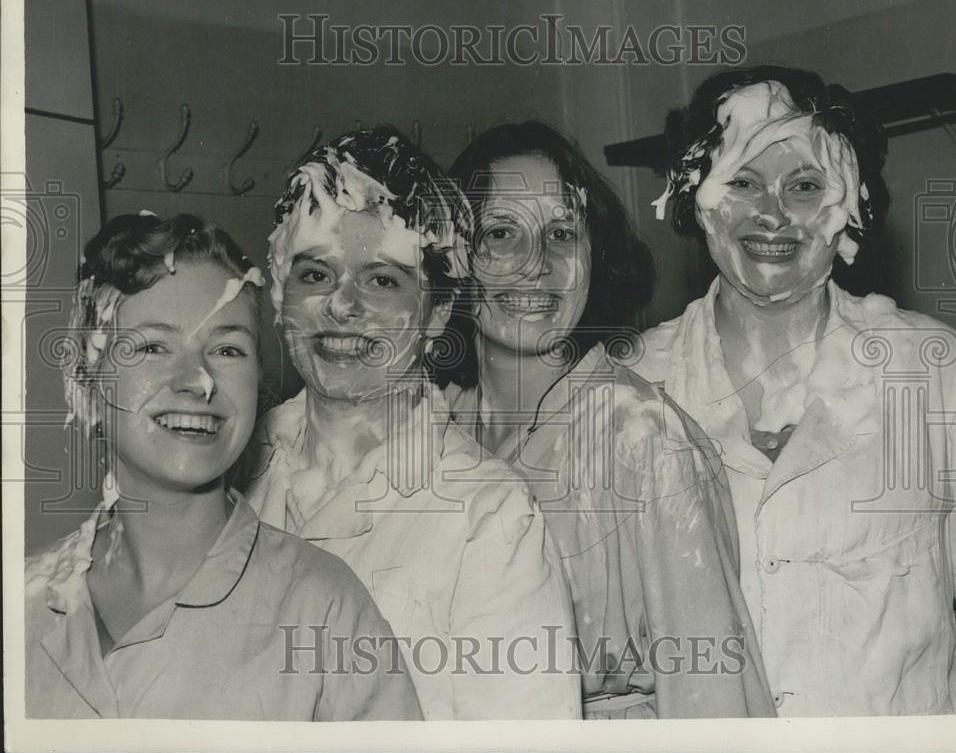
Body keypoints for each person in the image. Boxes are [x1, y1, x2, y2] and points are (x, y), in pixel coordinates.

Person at [636, 66, 956, 716]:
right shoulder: (630, 388)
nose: (773, 214)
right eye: (743, 182)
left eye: (805, 185)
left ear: (851, 205)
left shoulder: (937, 371)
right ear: (695, 195)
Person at [239, 128, 581, 720]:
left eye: (382, 280)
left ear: (436, 310)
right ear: (278, 291)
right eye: (315, 275)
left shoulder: (488, 517)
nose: (342, 307)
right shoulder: (225, 466)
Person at [25, 212, 421, 720]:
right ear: (86, 376)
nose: (199, 380)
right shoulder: (21, 600)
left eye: (228, 349)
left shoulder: (326, 609)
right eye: (152, 346)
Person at [442, 121, 774, 718]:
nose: (536, 264)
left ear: (593, 253)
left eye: (562, 234)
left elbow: (715, 699)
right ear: (453, 259)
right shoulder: (439, 432)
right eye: (500, 234)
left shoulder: (643, 439)